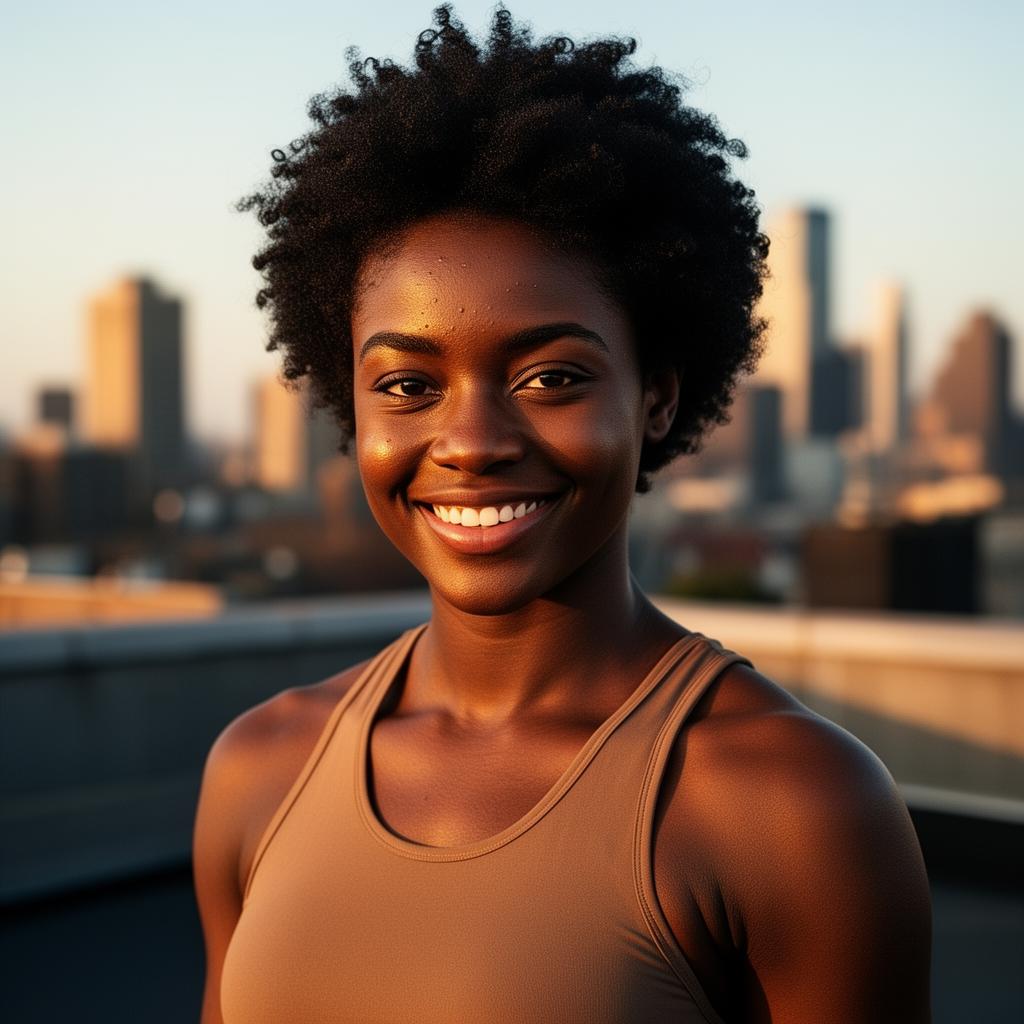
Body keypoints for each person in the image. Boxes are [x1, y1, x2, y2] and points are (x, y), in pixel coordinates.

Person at [193, 7, 932, 1022]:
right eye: (406, 386)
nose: (471, 441)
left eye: (550, 375)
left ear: (658, 395)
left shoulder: (794, 806)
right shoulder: (257, 770)